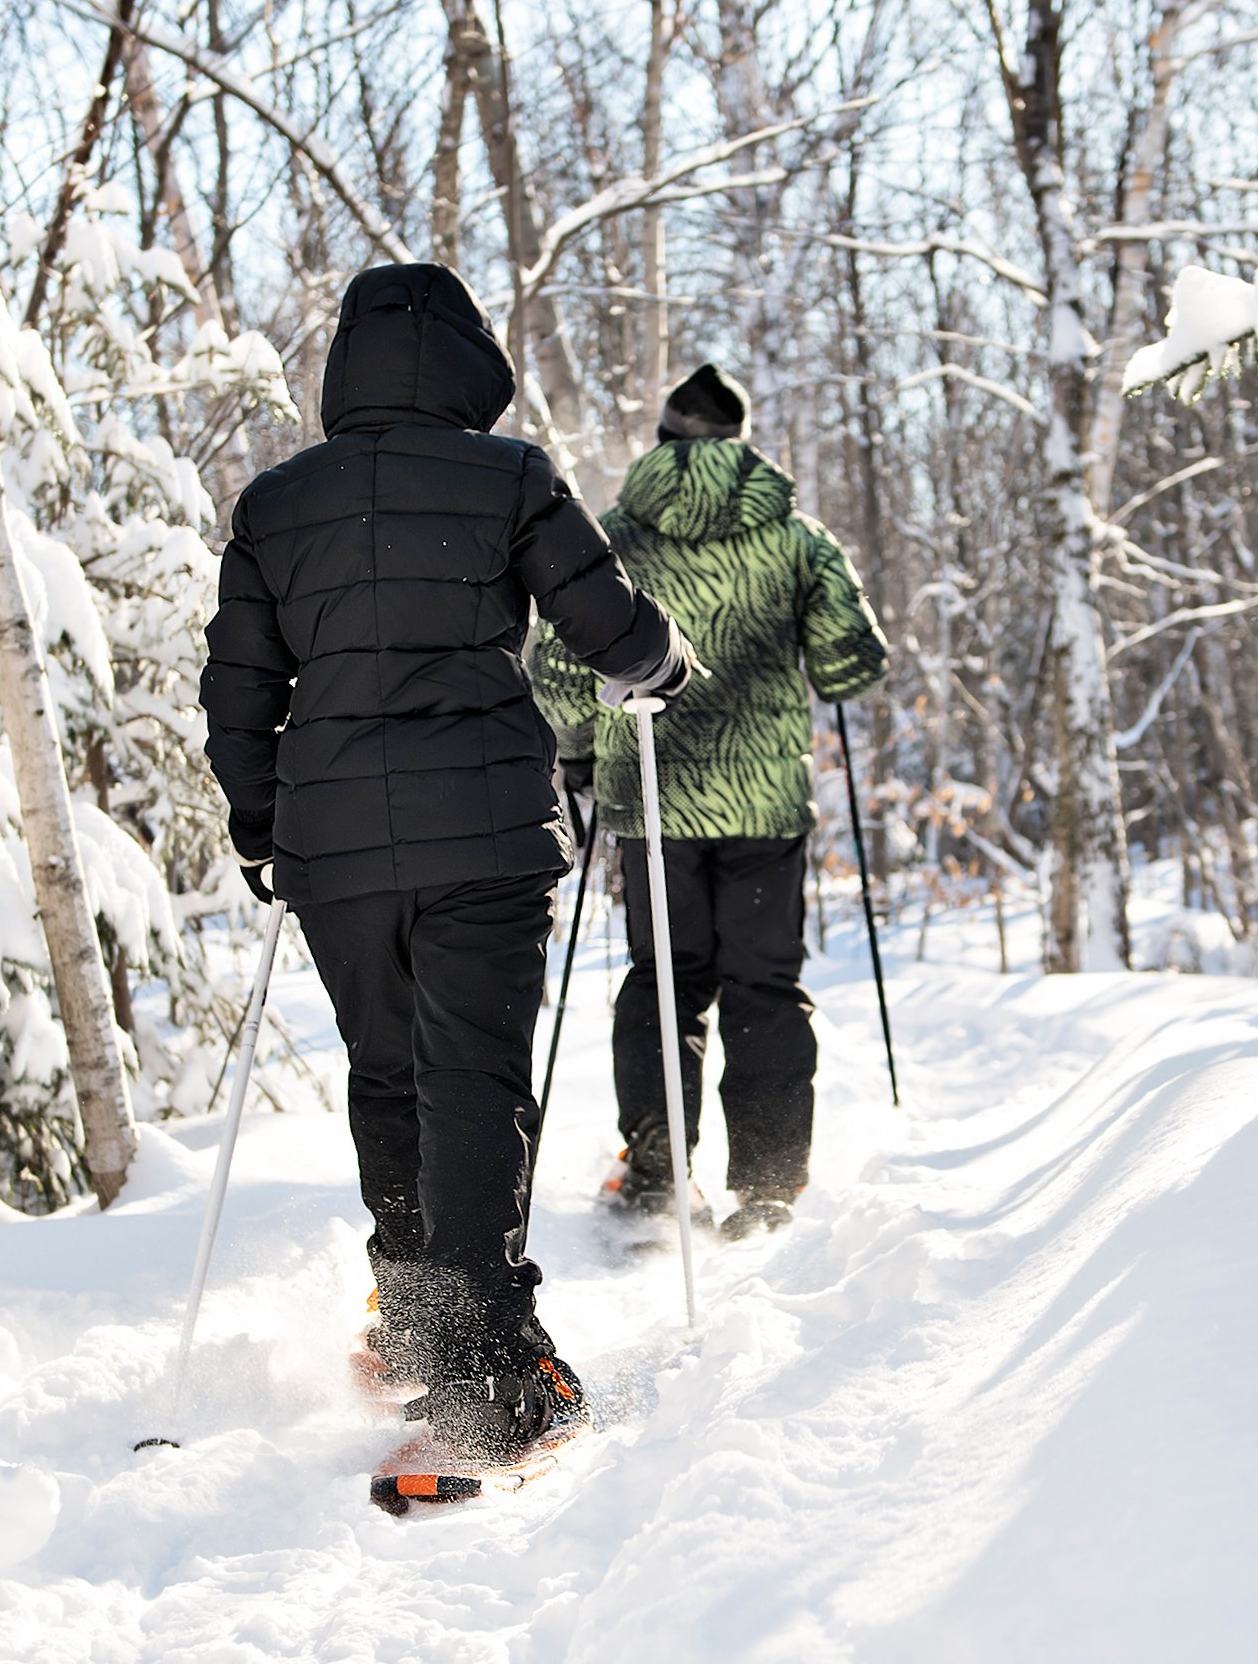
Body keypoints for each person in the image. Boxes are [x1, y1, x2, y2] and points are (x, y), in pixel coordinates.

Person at [200, 263, 687, 1459]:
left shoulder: (276, 505)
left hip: (337, 852)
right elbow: (609, 627)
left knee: (386, 1075)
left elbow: (240, 689)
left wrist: (263, 826)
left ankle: (420, 1330)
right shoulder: (506, 475)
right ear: (466, 362)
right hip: (483, 837)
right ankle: (484, 1375)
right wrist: (660, 664)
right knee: (469, 1080)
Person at [533, 363, 887, 1239]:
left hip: (651, 797)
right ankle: (766, 1188)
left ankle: (657, 1163)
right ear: (739, 439)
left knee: (664, 979)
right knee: (764, 984)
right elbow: (853, 663)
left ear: (662, 441)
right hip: (764, 800)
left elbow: (557, 670)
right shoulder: (796, 536)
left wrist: (579, 758)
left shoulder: (610, 535)